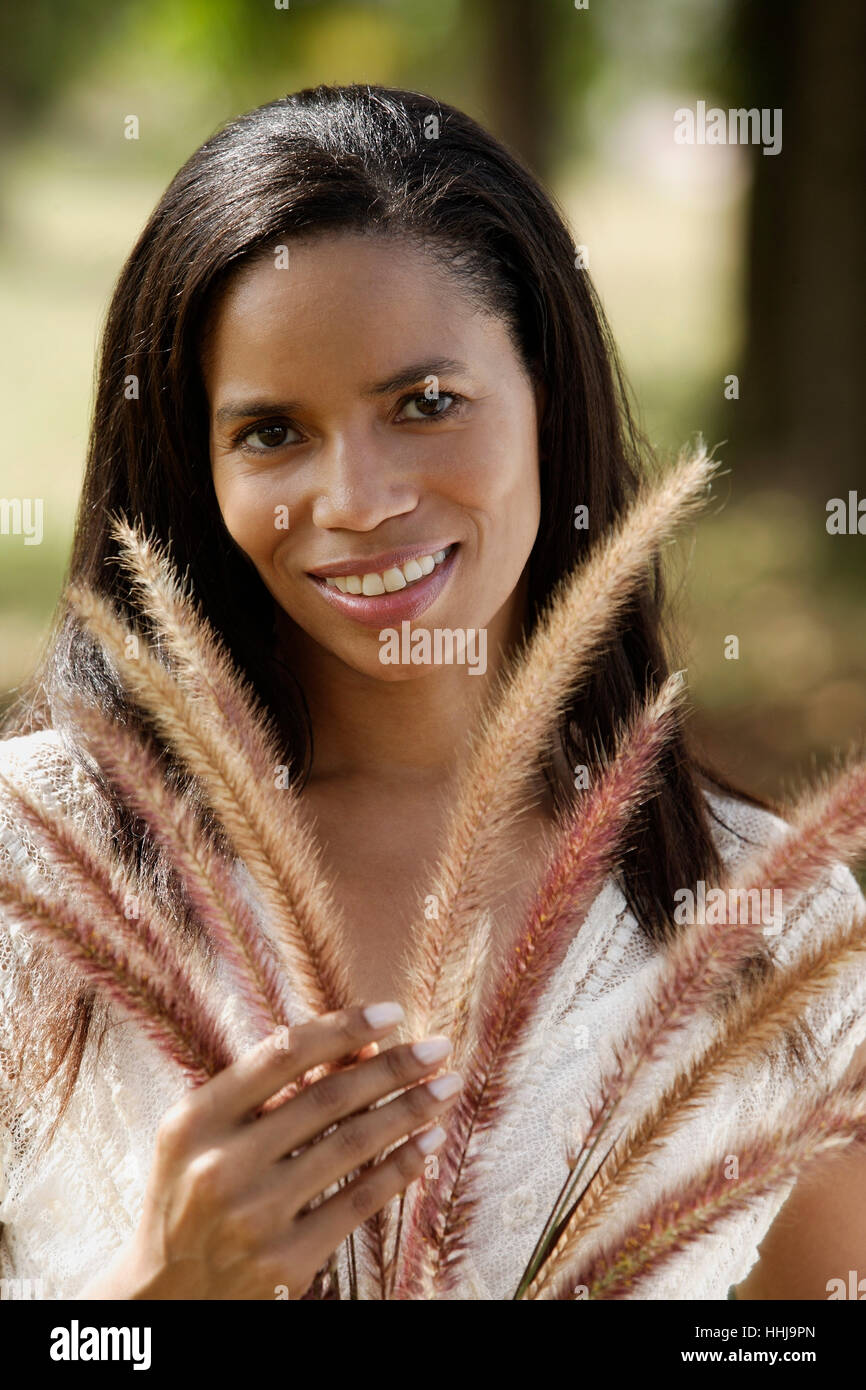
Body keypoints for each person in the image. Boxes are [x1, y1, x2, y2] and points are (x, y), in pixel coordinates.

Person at [0, 84, 864, 1301]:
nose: (356, 500)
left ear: (546, 402)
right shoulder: (34, 867)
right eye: (270, 433)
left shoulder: (768, 925)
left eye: (423, 404)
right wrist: (161, 1299)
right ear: (196, 470)